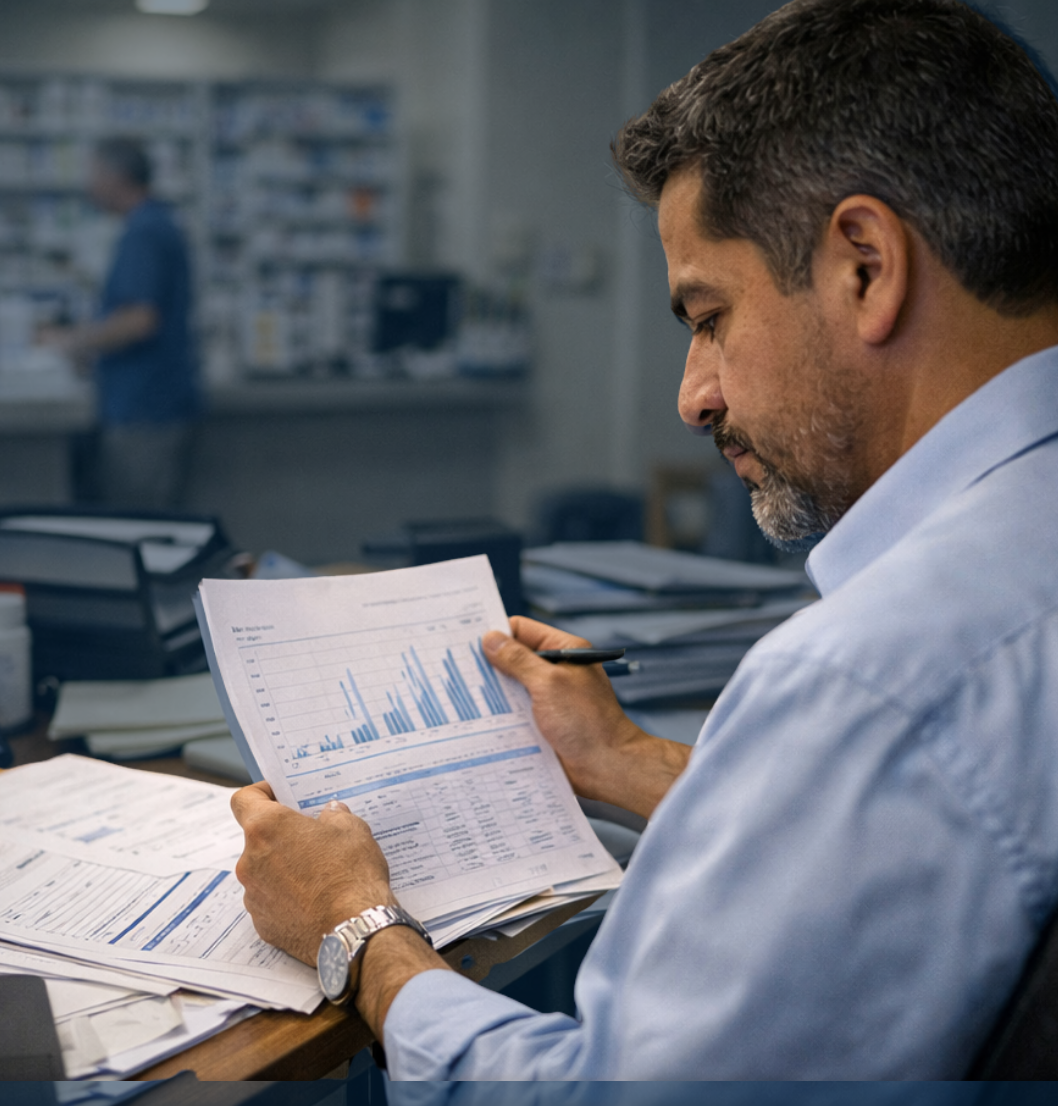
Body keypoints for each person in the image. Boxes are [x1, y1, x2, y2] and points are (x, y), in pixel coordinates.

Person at [227, 0, 1058, 1082]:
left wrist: (359, 929)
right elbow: (932, 837)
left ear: (865, 262)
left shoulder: (871, 678)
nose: (693, 395)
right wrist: (623, 760)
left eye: (708, 316)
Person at [46, 137, 200, 510]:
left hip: (144, 410)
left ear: (117, 178)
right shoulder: (155, 223)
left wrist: (74, 342)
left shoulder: (144, 231)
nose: (90, 186)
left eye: (95, 175)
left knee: (142, 525)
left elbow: (138, 320)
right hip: (150, 403)